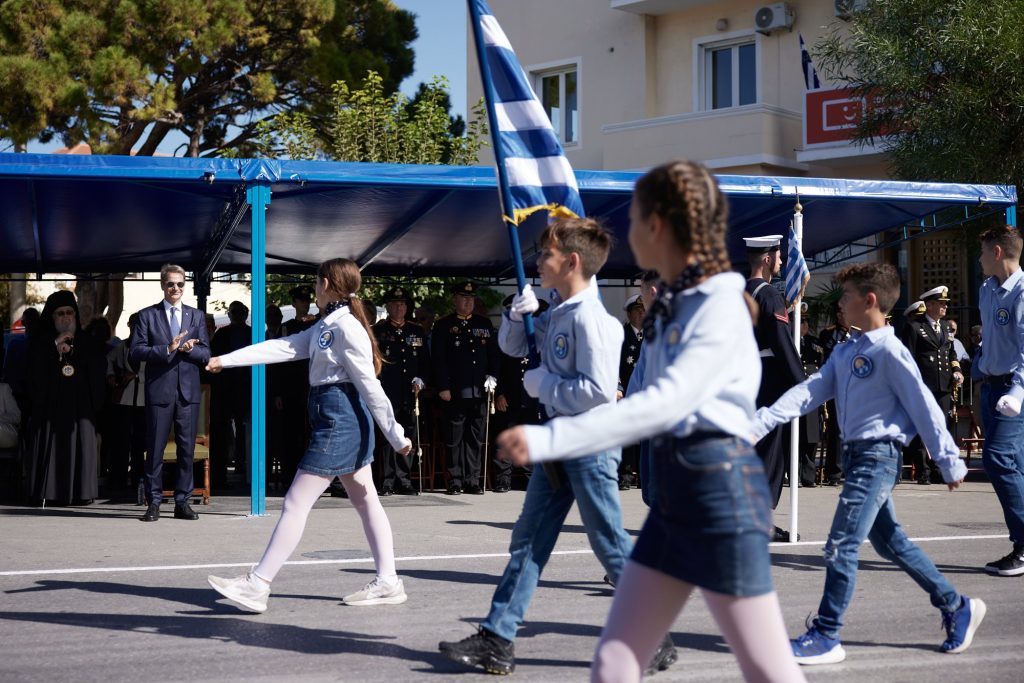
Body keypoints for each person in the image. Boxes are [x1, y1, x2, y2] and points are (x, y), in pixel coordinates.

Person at [495, 161, 805, 683]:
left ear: (660, 225)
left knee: (767, 668)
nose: (627, 231)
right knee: (616, 659)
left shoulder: (721, 304)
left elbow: (666, 402)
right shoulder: (675, 305)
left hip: (720, 494)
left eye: (637, 218)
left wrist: (557, 435)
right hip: (677, 493)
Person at [439, 216, 677, 678]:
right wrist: (514, 315)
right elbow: (512, 349)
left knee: (609, 544)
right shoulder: (558, 310)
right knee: (528, 542)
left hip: (589, 444)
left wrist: (542, 383)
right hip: (558, 441)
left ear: (571, 261)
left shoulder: (594, 321)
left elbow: (596, 390)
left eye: (545, 255)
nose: (538, 262)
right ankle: (497, 638)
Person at [753, 263, 985, 664]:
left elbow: (923, 404)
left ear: (870, 300)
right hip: (858, 456)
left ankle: (827, 634)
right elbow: (810, 391)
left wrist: (949, 460)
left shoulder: (890, 351)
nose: (839, 303)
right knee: (889, 542)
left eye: (846, 297)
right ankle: (957, 605)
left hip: (878, 457)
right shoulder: (847, 350)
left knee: (841, 545)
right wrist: (760, 420)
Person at [205, 258, 412, 613]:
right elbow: (283, 348)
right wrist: (226, 360)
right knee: (366, 501)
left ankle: (258, 584)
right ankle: (389, 581)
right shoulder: (327, 325)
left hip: (340, 421)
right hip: (335, 417)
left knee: (296, 502)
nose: (314, 289)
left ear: (328, 284)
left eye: (316, 283)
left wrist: (396, 434)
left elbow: (370, 386)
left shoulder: (346, 328)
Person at [129, 264, 211, 522]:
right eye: (170, 284)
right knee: (155, 449)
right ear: (162, 285)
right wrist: (167, 348)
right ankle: (153, 502)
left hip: (188, 392)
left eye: (180, 284)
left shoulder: (196, 316)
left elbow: (207, 354)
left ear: (185, 285)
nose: (175, 288)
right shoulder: (147, 316)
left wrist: (188, 350)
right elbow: (136, 351)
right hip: (160, 391)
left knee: (186, 450)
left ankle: (182, 502)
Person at [744, 234, 805, 542]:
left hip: (742, 379)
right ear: (767, 259)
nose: (782, 261)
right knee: (769, 453)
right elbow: (781, 342)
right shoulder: (769, 296)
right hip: (768, 379)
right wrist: (802, 384)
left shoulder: (739, 294)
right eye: (779, 256)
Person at [974, 225, 1024, 576]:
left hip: (1014, 390)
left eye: (982, 252)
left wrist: (1017, 392)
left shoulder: (1021, 292)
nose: (978, 259)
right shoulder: (986, 290)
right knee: (1016, 465)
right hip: (991, 387)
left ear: (996, 253)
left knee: (996, 458)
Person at [24, 291, 106, 505]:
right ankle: (48, 492)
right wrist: (54, 347)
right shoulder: (39, 343)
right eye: (60, 313)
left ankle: (80, 493)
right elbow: (32, 375)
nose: (66, 317)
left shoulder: (87, 342)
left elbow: (97, 373)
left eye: (70, 312)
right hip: (49, 409)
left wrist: (74, 351)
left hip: (80, 411)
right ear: (51, 317)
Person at [431, 281, 499, 495]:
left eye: (471, 298)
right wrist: (443, 386)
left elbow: (493, 356)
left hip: (479, 390)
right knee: (454, 437)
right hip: (455, 391)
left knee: (475, 437)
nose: (468, 302)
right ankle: (456, 480)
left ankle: (472, 479)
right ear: (455, 300)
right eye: (464, 298)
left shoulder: (484, 324)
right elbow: (439, 359)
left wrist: (493, 376)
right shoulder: (444, 325)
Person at [900, 286, 963, 484]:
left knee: (941, 428)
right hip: (923, 386)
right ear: (929, 305)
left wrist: (956, 370)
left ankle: (938, 469)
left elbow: (950, 352)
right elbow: (907, 358)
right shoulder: (914, 327)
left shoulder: (945, 326)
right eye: (941, 303)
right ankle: (922, 471)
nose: (945, 306)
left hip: (943, 385)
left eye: (945, 303)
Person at [371, 286, 429, 496]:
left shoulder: (416, 331)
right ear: (387, 306)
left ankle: (404, 479)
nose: (399, 308)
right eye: (395, 304)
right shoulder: (378, 331)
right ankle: (387, 480)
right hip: (388, 392)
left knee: (409, 435)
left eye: (402, 304)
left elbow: (425, 362)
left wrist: (421, 379)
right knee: (387, 437)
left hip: (410, 393)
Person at [492, 295, 549, 492]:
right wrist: (499, 393)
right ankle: (503, 479)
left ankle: (529, 477)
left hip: (533, 397)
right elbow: (497, 367)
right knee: (505, 436)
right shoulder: (507, 337)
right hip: (510, 396)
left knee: (531, 436)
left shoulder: (539, 337)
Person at [278, 285, 318, 488]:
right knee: (291, 434)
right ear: (294, 303)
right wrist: (278, 392)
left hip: (313, 384)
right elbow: (279, 361)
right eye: (301, 300)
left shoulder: (317, 323)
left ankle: (313, 478)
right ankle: (289, 477)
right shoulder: (287, 327)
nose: (305, 303)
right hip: (292, 386)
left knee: (314, 433)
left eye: (307, 300)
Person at [210, 301, 253, 486]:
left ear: (246, 313)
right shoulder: (222, 333)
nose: (237, 314)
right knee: (223, 429)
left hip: (247, 388)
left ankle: (245, 468)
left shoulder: (253, 332)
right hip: (225, 389)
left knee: (247, 429)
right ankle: (220, 472)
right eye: (233, 312)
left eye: (240, 311)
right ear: (229, 314)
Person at [106, 313, 148, 497]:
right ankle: (119, 478)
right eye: (134, 324)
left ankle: (139, 478)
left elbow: (157, 370)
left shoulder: (150, 346)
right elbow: (108, 360)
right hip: (124, 397)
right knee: (121, 440)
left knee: (141, 442)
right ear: (129, 325)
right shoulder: (123, 345)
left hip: (144, 400)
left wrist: (137, 376)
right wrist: (110, 376)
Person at [817, 303, 852, 485]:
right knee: (836, 432)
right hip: (836, 389)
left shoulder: (859, 333)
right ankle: (834, 473)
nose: (842, 315)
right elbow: (825, 359)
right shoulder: (828, 334)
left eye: (844, 311)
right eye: (839, 312)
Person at [617, 293, 645, 490]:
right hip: (625, 391)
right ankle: (626, 473)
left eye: (644, 311)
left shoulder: (652, 335)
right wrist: (617, 388)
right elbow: (612, 365)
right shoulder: (619, 335)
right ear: (629, 313)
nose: (642, 314)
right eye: (638, 311)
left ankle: (643, 473)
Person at [796, 311, 824, 488]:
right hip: (796, 394)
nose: (804, 325)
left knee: (811, 437)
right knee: (795, 437)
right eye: (801, 321)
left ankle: (808, 476)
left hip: (812, 394)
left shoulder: (814, 343)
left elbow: (821, 365)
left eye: (806, 321)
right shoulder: (790, 342)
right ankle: (794, 475)